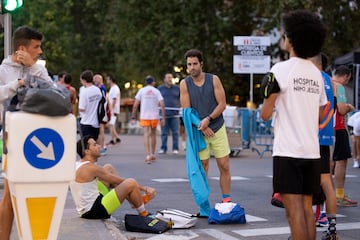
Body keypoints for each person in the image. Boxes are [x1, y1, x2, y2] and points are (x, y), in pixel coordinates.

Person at [260, 10, 327, 240]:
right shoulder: (316, 74)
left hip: (287, 151)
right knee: (307, 210)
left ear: (292, 39)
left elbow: (265, 115)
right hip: (311, 152)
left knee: (294, 213)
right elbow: (319, 116)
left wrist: (269, 96)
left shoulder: (279, 70)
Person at [0, 26, 52, 240]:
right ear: (22, 48)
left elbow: (53, 92)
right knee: (10, 195)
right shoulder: (4, 69)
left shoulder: (37, 67)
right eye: (36, 47)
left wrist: (33, 68)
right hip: (12, 139)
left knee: (32, 193)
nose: (40, 51)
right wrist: (18, 83)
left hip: (39, 135)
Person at [180, 49, 232, 207]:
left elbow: (222, 104)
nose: (192, 67)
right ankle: (204, 204)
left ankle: (226, 200)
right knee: (203, 167)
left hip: (217, 126)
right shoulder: (184, 84)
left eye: (195, 64)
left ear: (201, 64)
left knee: (224, 165)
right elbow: (187, 112)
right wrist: (202, 126)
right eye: (189, 64)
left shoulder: (213, 79)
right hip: (199, 131)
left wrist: (208, 119)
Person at [69, 135, 156, 219]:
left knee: (108, 167)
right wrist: (145, 188)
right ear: (86, 151)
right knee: (130, 183)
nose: (99, 146)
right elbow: (117, 181)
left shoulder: (78, 164)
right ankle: (143, 213)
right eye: (95, 145)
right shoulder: (90, 168)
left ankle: (134, 202)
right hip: (94, 211)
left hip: (87, 206)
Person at [310, 53, 338, 240]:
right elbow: (333, 106)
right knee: (326, 181)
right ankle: (332, 227)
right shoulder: (330, 81)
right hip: (325, 136)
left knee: (306, 182)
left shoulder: (313, 79)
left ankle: (305, 228)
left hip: (311, 136)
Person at [332, 65, 357, 207]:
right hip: (338, 128)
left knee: (328, 163)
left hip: (325, 128)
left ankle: (326, 194)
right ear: (346, 76)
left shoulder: (326, 83)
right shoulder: (339, 87)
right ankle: (338, 196)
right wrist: (349, 107)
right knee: (341, 161)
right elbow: (341, 109)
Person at [131, 75, 165, 164]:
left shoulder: (141, 90)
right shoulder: (156, 91)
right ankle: (153, 153)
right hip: (154, 115)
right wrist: (163, 117)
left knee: (146, 134)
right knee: (153, 134)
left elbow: (135, 104)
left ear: (146, 82)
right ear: (153, 82)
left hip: (144, 115)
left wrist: (133, 116)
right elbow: (162, 104)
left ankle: (147, 155)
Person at [158, 73, 180, 154]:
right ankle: (163, 148)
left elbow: (182, 98)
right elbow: (157, 100)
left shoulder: (177, 88)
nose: (170, 79)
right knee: (164, 133)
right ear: (164, 79)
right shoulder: (160, 89)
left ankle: (175, 148)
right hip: (164, 115)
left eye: (171, 77)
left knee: (175, 132)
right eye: (168, 78)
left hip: (175, 114)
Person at [78, 70, 102, 141]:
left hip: (86, 122)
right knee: (94, 143)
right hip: (96, 122)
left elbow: (81, 108)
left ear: (84, 80)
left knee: (87, 146)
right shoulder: (97, 90)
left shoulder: (84, 92)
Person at [93, 73, 108, 155]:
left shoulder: (101, 88)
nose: (94, 80)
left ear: (99, 79)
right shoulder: (99, 87)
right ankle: (102, 145)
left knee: (101, 129)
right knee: (100, 129)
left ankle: (102, 146)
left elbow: (102, 99)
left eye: (95, 79)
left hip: (101, 110)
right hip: (100, 109)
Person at [106, 74, 121, 146]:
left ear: (111, 80)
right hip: (112, 109)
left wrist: (111, 109)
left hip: (113, 109)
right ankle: (116, 138)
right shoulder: (112, 88)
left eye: (108, 79)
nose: (107, 81)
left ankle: (113, 140)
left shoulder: (115, 88)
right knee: (111, 125)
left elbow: (114, 99)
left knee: (111, 124)